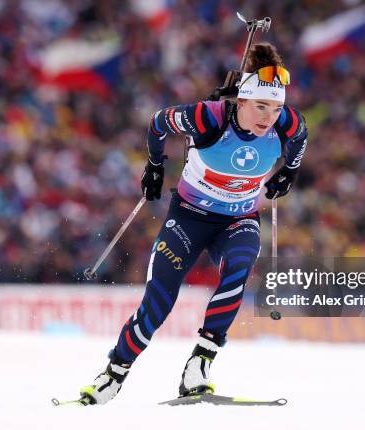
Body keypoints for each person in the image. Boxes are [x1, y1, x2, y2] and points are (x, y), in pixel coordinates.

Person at [80, 43, 308, 404]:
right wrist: (155, 165)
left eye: (276, 108)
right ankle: (113, 374)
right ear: (241, 102)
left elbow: (300, 137)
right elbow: (158, 123)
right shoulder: (209, 118)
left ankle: (199, 365)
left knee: (240, 267)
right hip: (189, 218)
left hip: (239, 219)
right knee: (160, 300)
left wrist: (290, 172)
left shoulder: (286, 123)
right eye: (261, 107)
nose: (269, 117)